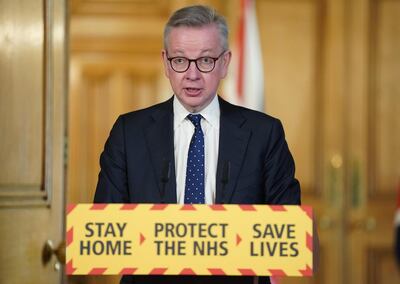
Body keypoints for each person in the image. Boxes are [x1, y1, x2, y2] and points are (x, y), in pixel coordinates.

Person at [94, 5, 301, 284]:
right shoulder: (129, 133)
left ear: (225, 62)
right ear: (166, 63)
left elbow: (287, 230)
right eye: (180, 60)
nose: (192, 74)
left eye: (205, 61)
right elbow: (106, 232)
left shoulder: (264, 133)